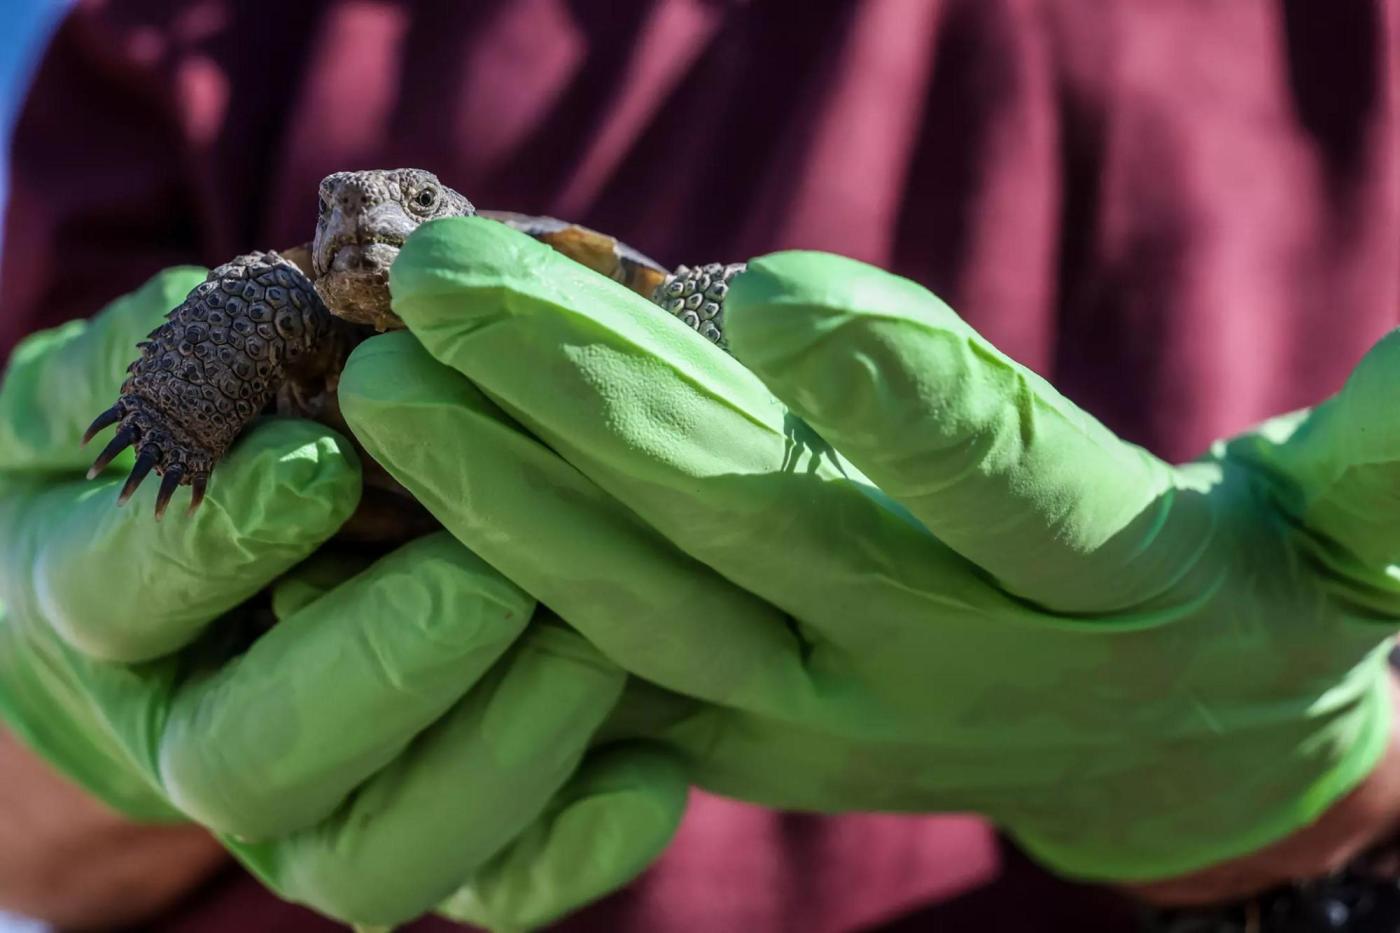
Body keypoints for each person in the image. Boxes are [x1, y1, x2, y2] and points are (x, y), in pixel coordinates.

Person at [1, 1, 1397, 931]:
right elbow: (26, 844)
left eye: (410, 207)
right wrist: (78, 704)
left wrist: (1312, 795)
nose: (371, 223)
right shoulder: (220, 32)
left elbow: (678, 303)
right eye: (344, 212)